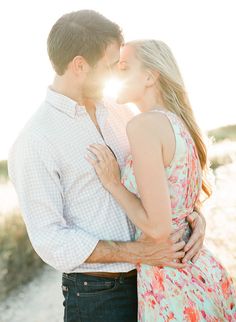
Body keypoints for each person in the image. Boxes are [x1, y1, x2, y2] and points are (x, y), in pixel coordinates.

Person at [8, 11, 206, 322]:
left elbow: (163, 177)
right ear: (79, 65)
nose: (116, 73)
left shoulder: (119, 110)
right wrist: (138, 253)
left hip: (154, 281)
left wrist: (194, 220)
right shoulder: (36, 140)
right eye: (111, 64)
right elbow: (50, 240)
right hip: (98, 296)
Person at [86, 39, 236, 321]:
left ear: (149, 76)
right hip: (199, 270)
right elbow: (180, 202)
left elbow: (158, 227)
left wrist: (113, 183)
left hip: (171, 283)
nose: (115, 76)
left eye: (124, 68)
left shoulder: (143, 125)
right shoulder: (179, 124)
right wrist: (196, 218)